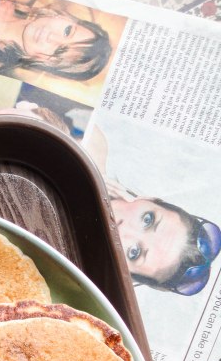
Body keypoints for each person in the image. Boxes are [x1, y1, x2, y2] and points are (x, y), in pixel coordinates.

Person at [86, 125, 221, 295]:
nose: (123, 230)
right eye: (147, 219)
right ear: (148, 199)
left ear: (124, 273)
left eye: (134, 252)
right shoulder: (90, 146)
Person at [0, 0, 112, 82]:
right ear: (63, 17)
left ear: (45, 65)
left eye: (58, 52)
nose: (51, 37)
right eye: (67, 31)